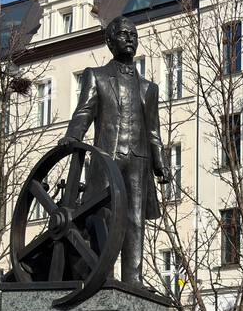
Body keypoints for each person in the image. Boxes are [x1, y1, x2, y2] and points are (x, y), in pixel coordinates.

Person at [60, 16, 167, 285]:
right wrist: (72, 135)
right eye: (123, 34)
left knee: (135, 220)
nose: (130, 38)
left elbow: (153, 131)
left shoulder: (148, 88)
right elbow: (84, 111)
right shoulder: (96, 76)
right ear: (109, 41)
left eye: (133, 34)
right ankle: (103, 275)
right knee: (104, 217)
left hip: (138, 162)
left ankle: (134, 279)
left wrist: (161, 164)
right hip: (106, 158)